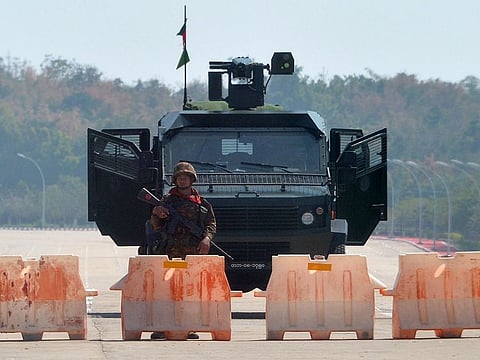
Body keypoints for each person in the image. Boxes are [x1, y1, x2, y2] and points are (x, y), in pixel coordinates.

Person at [147, 161, 216, 340]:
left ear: (192, 179)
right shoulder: (167, 201)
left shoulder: (202, 204)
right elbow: (155, 226)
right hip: (170, 252)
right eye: (179, 177)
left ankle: (189, 327)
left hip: (191, 254)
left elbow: (211, 224)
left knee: (190, 291)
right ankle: (161, 328)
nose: (182, 180)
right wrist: (157, 212)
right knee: (165, 290)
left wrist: (207, 239)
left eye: (186, 177)